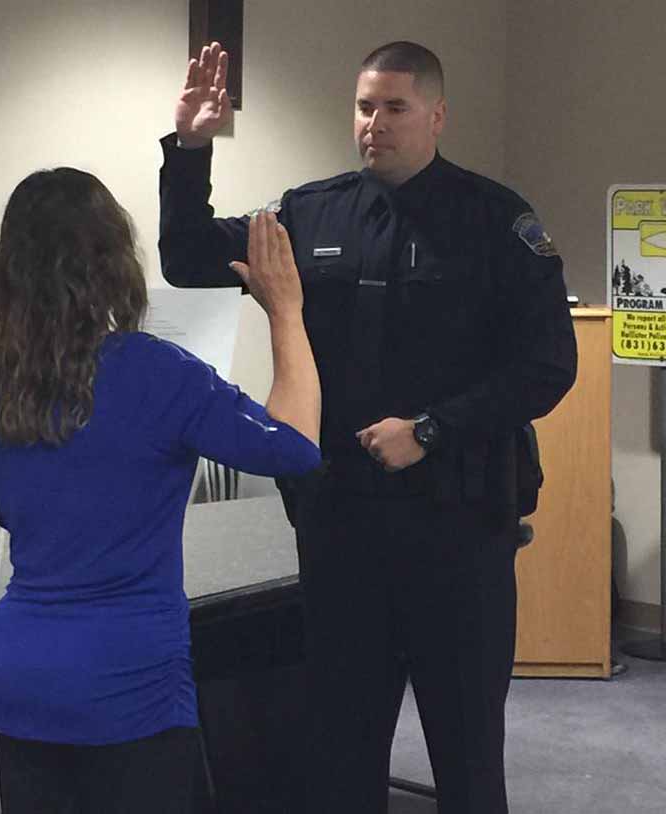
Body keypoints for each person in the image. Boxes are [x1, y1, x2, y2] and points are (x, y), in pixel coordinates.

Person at [159, 40, 577, 814]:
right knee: (341, 749)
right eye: (363, 106)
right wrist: (190, 148)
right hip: (341, 530)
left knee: (468, 750)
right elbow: (187, 257)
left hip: (458, 531)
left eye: (394, 107)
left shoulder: (495, 220)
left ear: (437, 115)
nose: (374, 123)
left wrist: (432, 429)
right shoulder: (310, 211)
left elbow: (549, 366)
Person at [0, 168, 321, 814]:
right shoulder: (159, 372)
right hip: (132, 686)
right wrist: (286, 313)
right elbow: (294, 446)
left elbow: (1, 505)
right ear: (112, 262)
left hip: (24, 677)